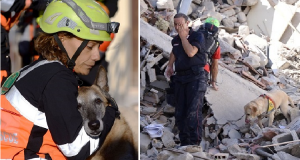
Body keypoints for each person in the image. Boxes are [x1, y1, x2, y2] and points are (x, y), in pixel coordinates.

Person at [1, 0, 120, 159]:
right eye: (90, 46)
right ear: (62, 38)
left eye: (98, 47)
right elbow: (77, 149)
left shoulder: (41, 67)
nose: (96, 56)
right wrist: (111, 112)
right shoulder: (58, 79)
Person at [165, 13, 220, 146]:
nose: (178, 27)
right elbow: (174, 50)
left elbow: (191, 52)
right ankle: (184, 144)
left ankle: (194, 145)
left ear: (188, 23)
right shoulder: (176, 40)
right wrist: (170, 65)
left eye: (181, 24)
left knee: (193, 111)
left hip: (196, 77)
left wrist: (184, 38)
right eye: (176, 24)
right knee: (180, 112)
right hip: (180, 77)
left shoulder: (197, 36)